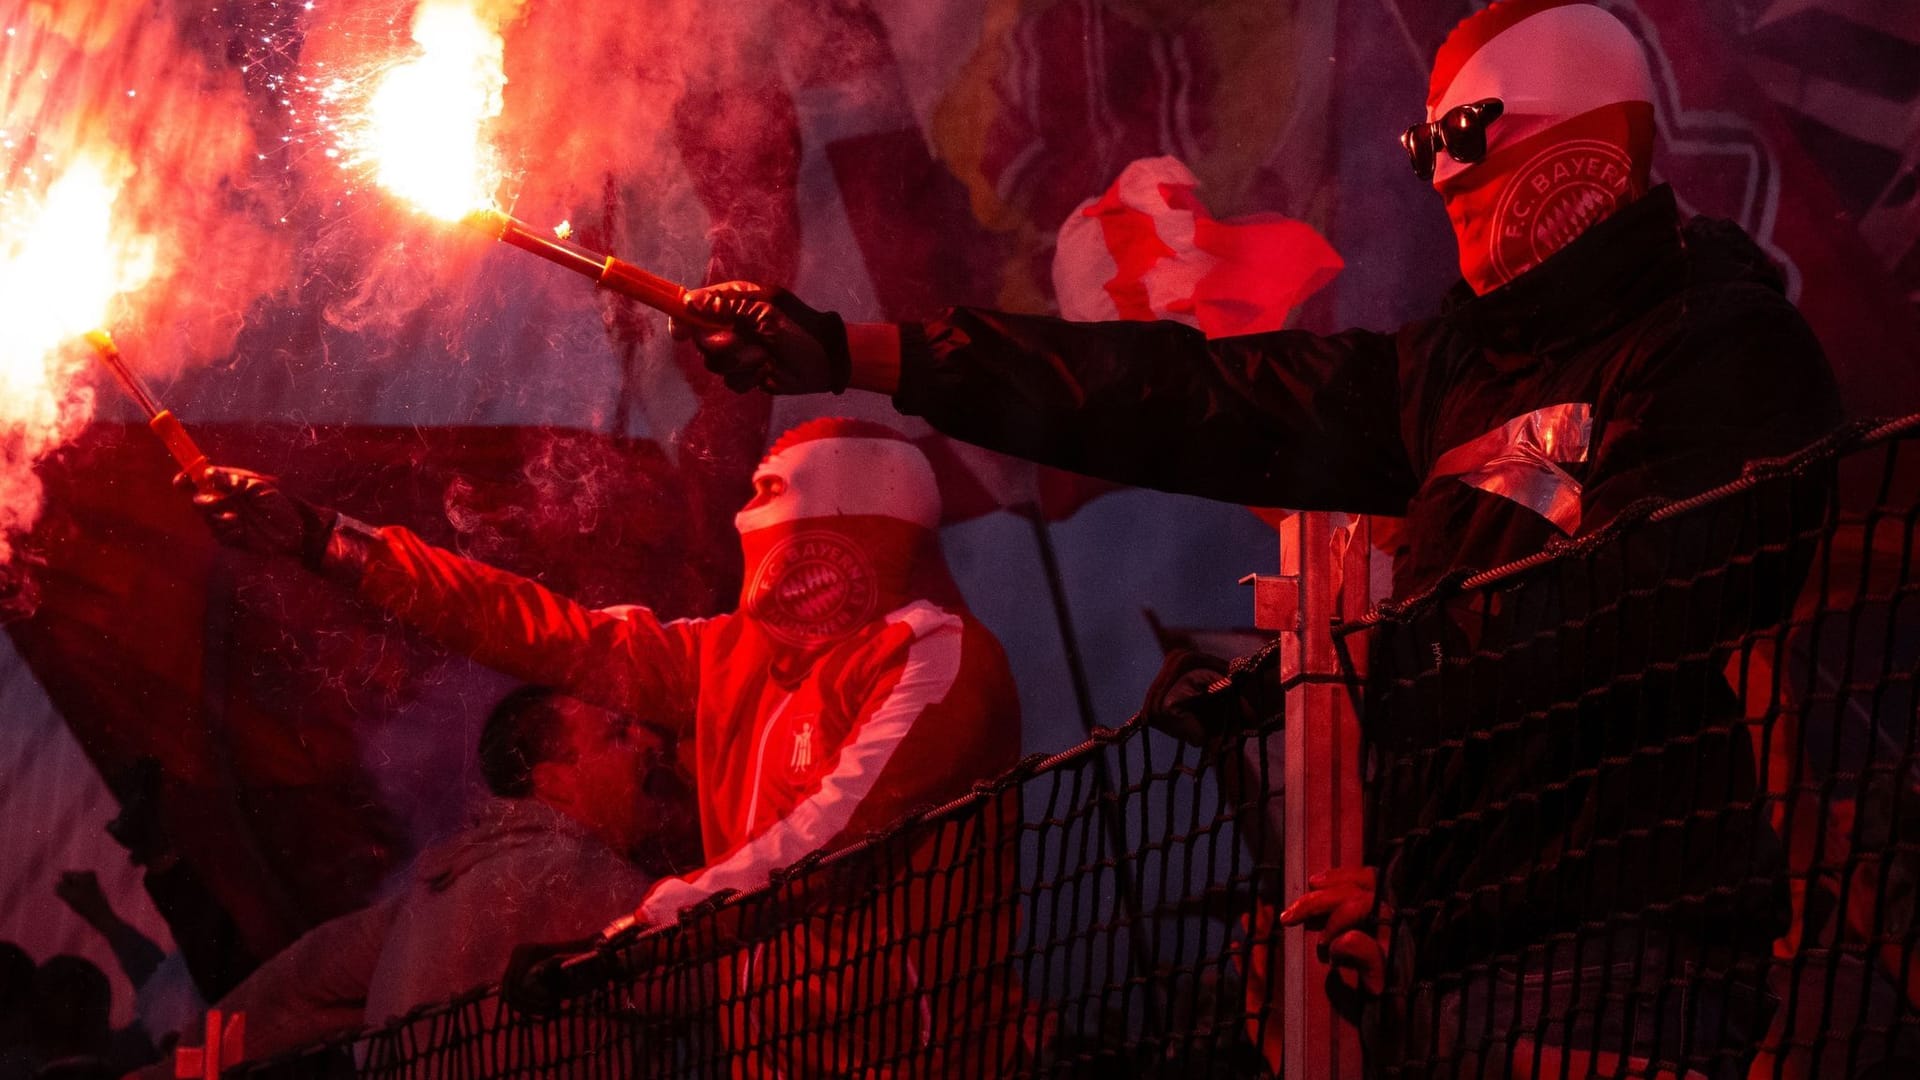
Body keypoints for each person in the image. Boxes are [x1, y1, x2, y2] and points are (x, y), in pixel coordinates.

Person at [677, 1, 1842, 1073]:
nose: (1441, 173)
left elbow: (1632, 624)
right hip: (1453, 964)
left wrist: (1376, 671)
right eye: (1421, 143)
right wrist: (862, 353)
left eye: (1465, 133)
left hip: (1627, 949)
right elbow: (1174, 394)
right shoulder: (1447, 371)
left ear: (1584, 134)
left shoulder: (1722, 347)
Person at [188, 417, 1026, 1075]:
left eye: (774, 500)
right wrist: (324, 538)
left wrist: (632, 941)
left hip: (924, 1060)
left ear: (855, 524)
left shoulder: (930, 651)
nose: (649, 748)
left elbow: (830, 839)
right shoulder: (725, 658)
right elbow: (538, 629)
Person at [167, 688, 672, 1063]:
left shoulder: (432, 894)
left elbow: (289, 991)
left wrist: (162, 1073)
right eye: (618, 733)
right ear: (553, 781)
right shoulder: (589, 878)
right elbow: (713, 982)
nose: (650, 741)